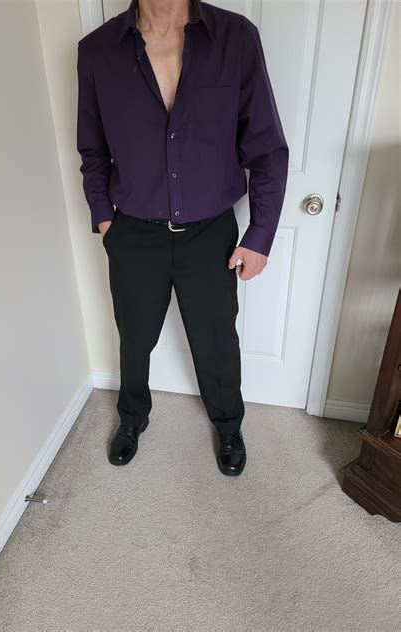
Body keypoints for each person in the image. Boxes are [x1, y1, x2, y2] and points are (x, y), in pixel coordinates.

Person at [76, 0, 289, 476]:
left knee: (216, 339)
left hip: (210, 234)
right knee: (134, 336)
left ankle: (228, 424)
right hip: (133, 233)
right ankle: (132, 417)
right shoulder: (96, 51)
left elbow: (267, 146)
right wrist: (105, 219)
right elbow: (92, 149)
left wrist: (260, 235)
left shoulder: (236, 39)